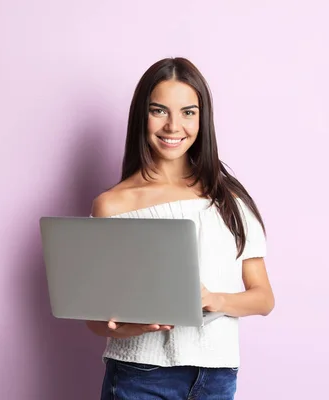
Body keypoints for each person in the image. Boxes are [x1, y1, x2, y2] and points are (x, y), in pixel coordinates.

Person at [86, 57, 275, 400]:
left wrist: (212, 300)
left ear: (203, 120)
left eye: (188, 112)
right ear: (141, 116)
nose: (174, 126)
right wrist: (133, 325)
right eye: (159, 110)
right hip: (141, 375)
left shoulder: (230, 199)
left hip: (217, 375)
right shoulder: (112, 205)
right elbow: (97, 321)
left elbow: (263, 297)